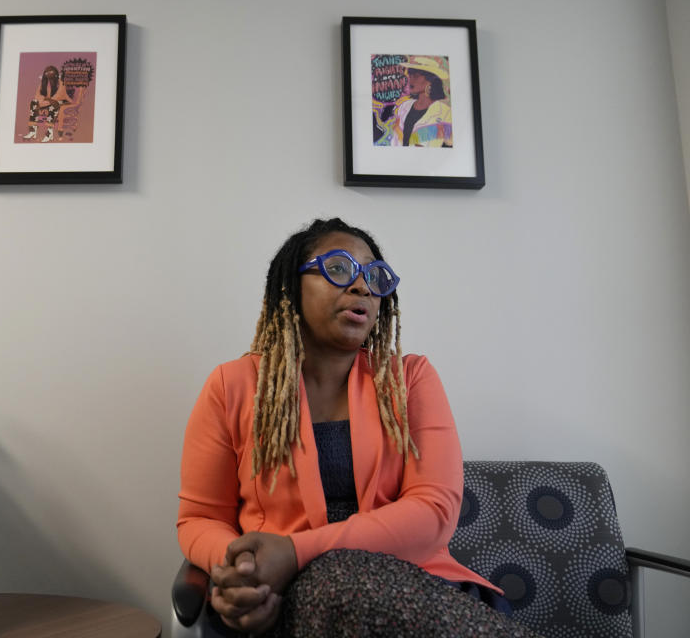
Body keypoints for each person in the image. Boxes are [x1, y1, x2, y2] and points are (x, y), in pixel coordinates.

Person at [177, 218, 540, 636]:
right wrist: (244, 571)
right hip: (282, 597)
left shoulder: (410, 380)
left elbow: (434, 511)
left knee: (337, 580)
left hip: (418, 586)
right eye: (339, 269)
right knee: (329, 584)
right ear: (290, 288)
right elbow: (200, 517)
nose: (363, 287)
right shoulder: (232, 386)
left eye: (374, 276)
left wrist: (295, 552)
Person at [389, 57, 452, 147]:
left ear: (430, 80)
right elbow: (395, 140)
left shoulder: (445, 112)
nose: (410, 79)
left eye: (416, 75)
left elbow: (450, 143)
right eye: (410, 74)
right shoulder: (404, 106)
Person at [23, 66, 71, 143]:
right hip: (48, 102)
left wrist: (46, 101)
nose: (48, 74)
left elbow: (58, 97)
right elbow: (37, 96)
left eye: (51, 72)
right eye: (46, 72)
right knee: (34, 102)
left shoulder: (61, 83)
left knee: (54, 106)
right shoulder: (43, 83)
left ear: (55, 73)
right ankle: (33, 130)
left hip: (63, 101)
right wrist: (44, 101)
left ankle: (49, 133)